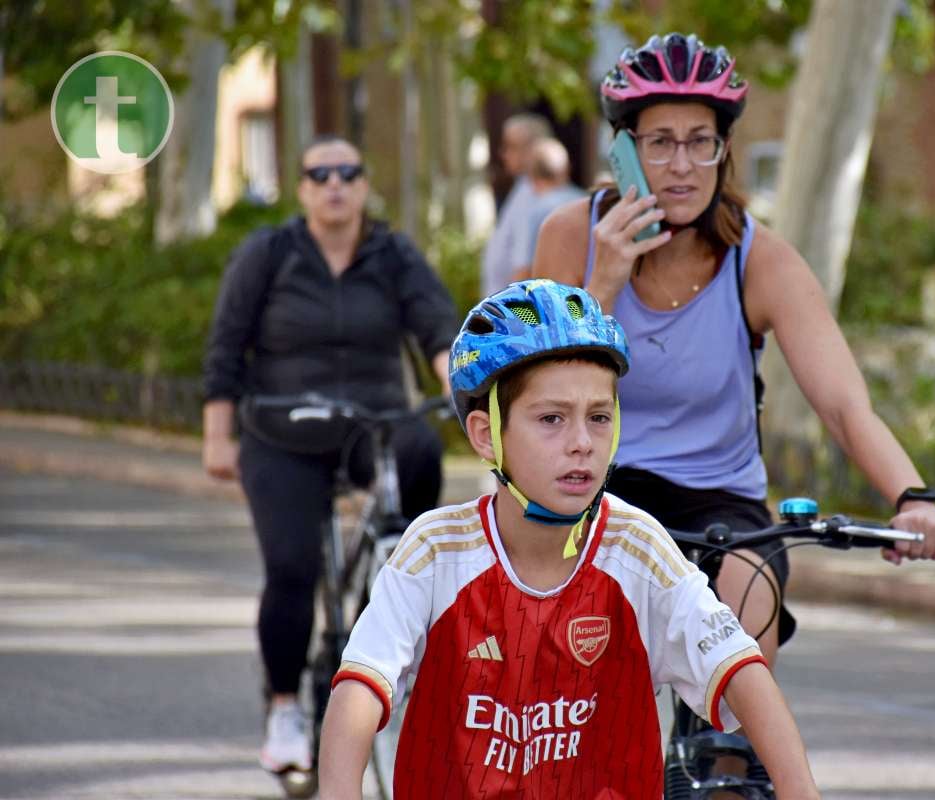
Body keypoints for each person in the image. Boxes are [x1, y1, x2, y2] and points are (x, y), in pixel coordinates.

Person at [532, 33, 935, 667]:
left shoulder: (760, 259)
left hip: (719, 503)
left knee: (742, 615)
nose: (681, 165)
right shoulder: (573, 236)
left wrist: (914, 497)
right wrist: (604, 285)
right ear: (624, 151)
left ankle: (730, 763)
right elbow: (539, 395)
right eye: (660, 142)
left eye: (700, 141)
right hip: (593, 487)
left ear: (722, 150)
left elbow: (844, 405)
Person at [317, 280, 822, 800]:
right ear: (486, 434)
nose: (582, 443)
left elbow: (740, 670)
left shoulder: (635, 546)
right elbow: (362, 685)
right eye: (552, 419)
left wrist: (799, 790)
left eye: (599, 417)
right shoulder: (436, 549)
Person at [201, 135, 460, 776]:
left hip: (373, 423)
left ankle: (400, 571)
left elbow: (437, 327)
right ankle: (285, 707)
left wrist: (464, 387)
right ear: (303, 189)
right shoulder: (270, 253)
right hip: (281, 429)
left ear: (365, 184)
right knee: (291, 570)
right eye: (320, 173)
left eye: (349, 171)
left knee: (421, 446)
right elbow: (226, 344)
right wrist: (217, 435)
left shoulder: (393, 253)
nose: (335, 183)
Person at [480, 113, 553, 296]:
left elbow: (524, 270)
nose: (503, 154)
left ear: (534, 149)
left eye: (511, 146)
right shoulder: (523, 189)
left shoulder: (535, 195)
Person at [510, 138, 587, 282]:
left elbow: (523, 269)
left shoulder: (535, 211)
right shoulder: (586, 202)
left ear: (531, 175)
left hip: (553, 298)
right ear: (567, 169)